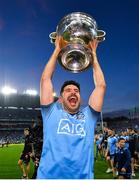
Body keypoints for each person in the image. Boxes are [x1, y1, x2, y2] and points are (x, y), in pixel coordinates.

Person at [36, 36, 106, 179]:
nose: (73, 92)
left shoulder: (89, 116)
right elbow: (45, 79)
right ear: (60, 99)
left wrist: (93, 56)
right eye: (68, 90)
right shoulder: (51, 112)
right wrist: (57, 50)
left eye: (76, 91)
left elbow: (101, 86)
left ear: (80, 97)